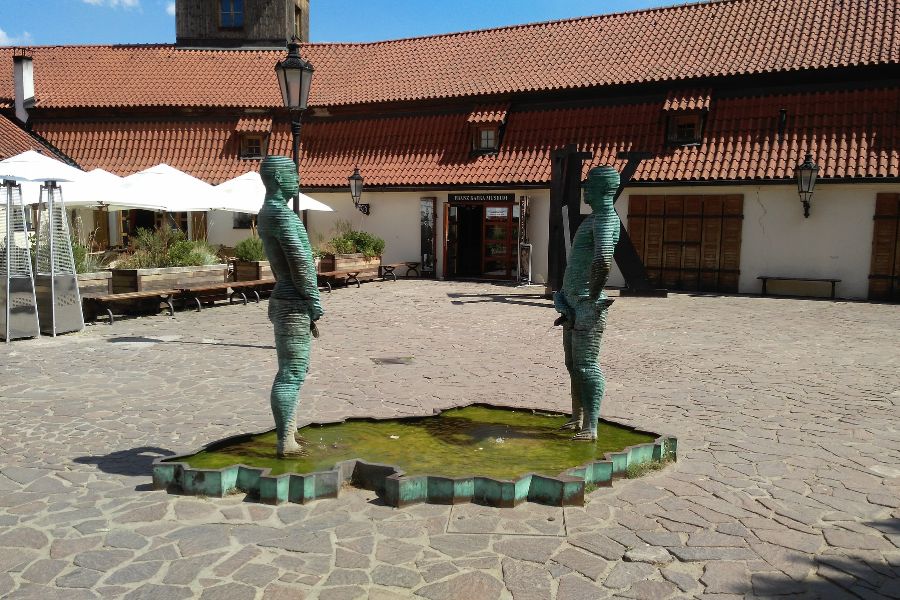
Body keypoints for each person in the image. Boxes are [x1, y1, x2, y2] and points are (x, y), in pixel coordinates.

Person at [257, 155, 324, 456]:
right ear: (280, 179)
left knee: (294, 368)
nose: (298, 179)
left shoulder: (268, 212)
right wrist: (314, 299)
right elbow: (300, 261)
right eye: (293, 173)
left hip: (284, 296)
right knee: (292, 371)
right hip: (293, 300)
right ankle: (285, 440)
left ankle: (291, 429)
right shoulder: (281, 215)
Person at [553, 166, 620, 441]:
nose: (584, 190)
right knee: (572, 364)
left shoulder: (605, 219)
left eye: (589, 185)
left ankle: (591, 426)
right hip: (573, 302)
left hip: (585, 305)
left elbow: (603, 260)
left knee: (586, 365)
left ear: (603, 189)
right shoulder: (594, 219)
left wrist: (591, 298)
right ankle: (576, 417)